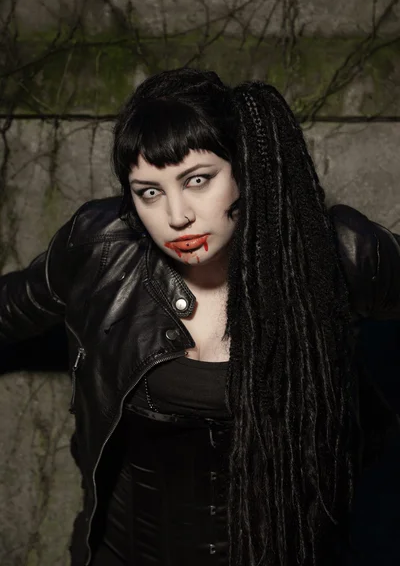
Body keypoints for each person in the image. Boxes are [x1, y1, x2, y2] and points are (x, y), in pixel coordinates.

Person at [0, 67, 399, 566]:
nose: (177, 216)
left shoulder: (332, 255)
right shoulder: (101, 248)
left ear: (246, 171)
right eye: (149, 191)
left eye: (198, 180)